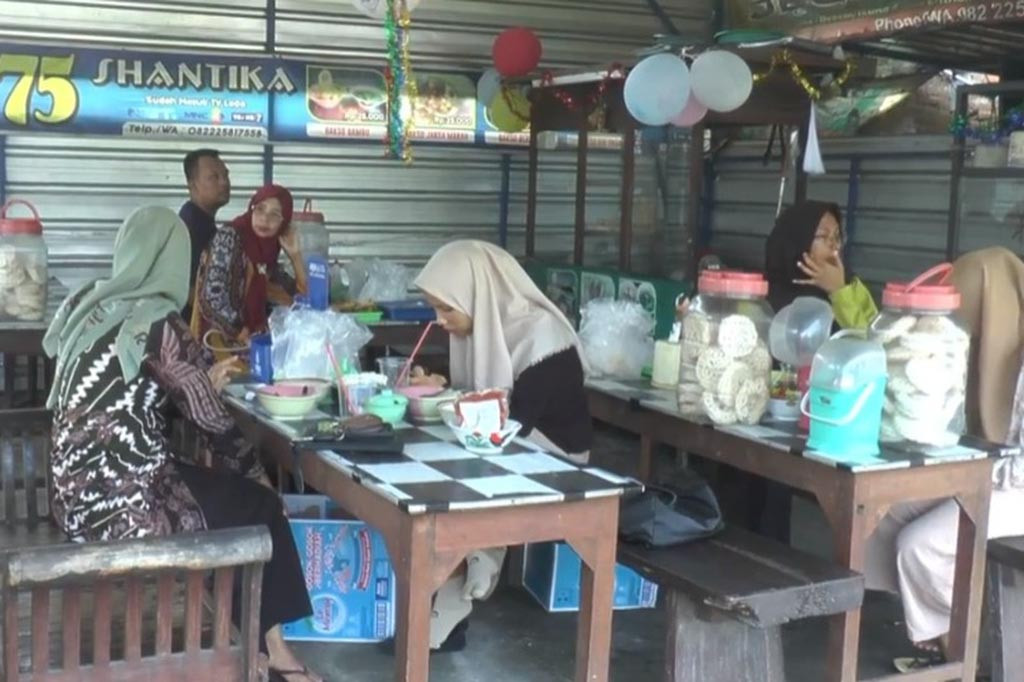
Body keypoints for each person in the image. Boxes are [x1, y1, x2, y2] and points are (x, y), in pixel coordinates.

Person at [43, 207, 322, 682]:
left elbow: (130, 391)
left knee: (220, 498)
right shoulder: (156, 321)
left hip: (72, 497)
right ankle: (274, 654)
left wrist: (194, 382)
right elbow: (212, 421)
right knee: (259, 506)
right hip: (124, 505)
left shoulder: (89, 308)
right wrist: (256, 471)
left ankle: (250, 644)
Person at [413, 239, 593, 651]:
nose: (439, 320)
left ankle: (462, 581)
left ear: (476, 296)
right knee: (441, 463)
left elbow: (512, 422)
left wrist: (446, 399)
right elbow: (476, 391)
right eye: (434, 309)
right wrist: (440, 383)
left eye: (445, 309)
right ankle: (470, 567)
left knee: (455, 480)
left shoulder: (543, 338)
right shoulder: (483, 323)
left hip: (554, 454)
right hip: (507, 440)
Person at [864, 247, 1024, 674]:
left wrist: (975, 473)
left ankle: (969, 654)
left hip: (1016, 486)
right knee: (882, 513)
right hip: (997, 472)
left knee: (920, 545)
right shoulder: (1004, 329)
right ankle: (940, 640)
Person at [192, 184, 307, 356]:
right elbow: (211, 297)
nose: (265, 219)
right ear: (251, 209)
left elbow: (299, 300)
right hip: (215, 350)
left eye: (275, 215)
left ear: (284, 224)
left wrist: (296, 256)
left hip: (248, 348)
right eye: (260, 209)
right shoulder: (229, 237)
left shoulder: (267, 255)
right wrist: (241, 333)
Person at [765, 200, 877, 330]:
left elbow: (872, 344)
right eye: (824, 237)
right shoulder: (768, 300)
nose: (835, 245)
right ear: (799, 243)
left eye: (837, 236)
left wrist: (839, 291)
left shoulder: (851, 284)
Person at [179, 149, 231, 308]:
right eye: (213, 177)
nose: (224, 182)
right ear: (192, 185)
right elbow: (183, 290)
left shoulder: (204, 223)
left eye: (225, 175)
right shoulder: (190, 228)